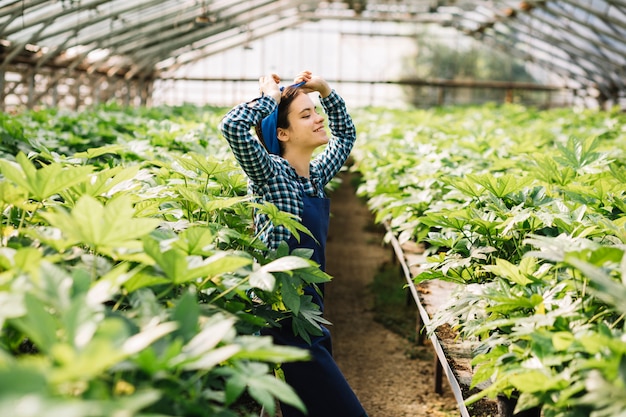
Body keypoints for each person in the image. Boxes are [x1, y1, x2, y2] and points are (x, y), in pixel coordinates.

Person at [220, 70, 368, 417]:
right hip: (281, 315)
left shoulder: (314, 176)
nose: (318, 118)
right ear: (283, 133)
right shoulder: (270, 174)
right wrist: (270, 97)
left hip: (309, 310)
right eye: (306, 115)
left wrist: (325, 91)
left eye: (315, 111)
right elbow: (233, 127)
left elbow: (345, 136)